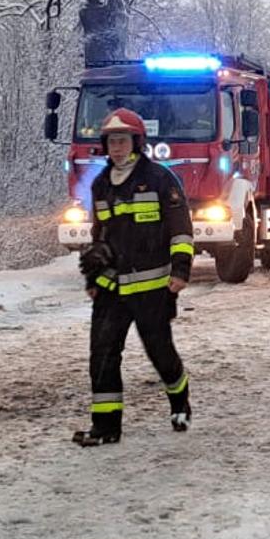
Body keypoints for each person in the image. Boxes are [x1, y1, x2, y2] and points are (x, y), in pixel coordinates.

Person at [75, 108, 194, 446]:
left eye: (123, 140)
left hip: (152, 287)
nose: (117, 147)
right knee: (103, 354)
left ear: (136, 143)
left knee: (160, 352)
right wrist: (93, 273)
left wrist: (181, 270)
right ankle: (105, 427)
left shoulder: (159, 178)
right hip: (111, 287)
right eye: (112, 141)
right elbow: (100, 233)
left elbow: (180, 228)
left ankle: (179, 399)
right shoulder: (100, 184)